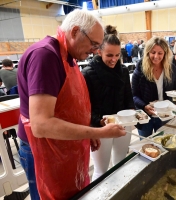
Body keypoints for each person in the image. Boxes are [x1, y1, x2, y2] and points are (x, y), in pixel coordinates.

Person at [17, 9, 126, 199]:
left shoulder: (69, 56)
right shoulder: (45, 56)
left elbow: (69, 104)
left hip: (62, 145)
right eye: (93, 44)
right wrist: (97, 132)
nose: (94, 51)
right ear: (75, 31)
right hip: (42, 149)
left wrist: (85, 130)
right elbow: (41, 125)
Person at [81, 25, 134, 181]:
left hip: (123, 123)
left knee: (120, 164)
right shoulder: (88, 73)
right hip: (100, 128)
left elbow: (128, 98)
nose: (114, 59)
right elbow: (85, 107)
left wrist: (134, 113)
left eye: (117, 55)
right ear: (99, 51)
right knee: (101, 171)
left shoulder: (123, 71)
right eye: (109, 55)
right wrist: (97, 121)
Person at [132, 37, 176, 137]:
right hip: (145, 116)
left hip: (165, 115)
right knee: (146, 145)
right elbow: (134, 95)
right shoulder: (141, 68)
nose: (156, 56)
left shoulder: (171, 69)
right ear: (148, 52)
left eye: (160, 53)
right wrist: (144, 106)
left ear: (165, 53)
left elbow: (175, 88)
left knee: (164, 142)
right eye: (153, 52)